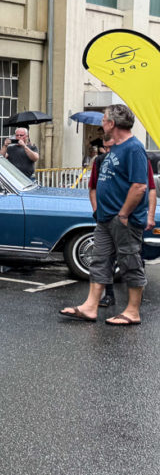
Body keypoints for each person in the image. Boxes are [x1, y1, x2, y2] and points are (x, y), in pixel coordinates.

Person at [61, 104, 151, 326]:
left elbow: (140, 186)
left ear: (112, 124)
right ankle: (90, 307)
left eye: (103, 120)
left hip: (123, 220)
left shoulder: (133, 148)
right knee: (99, 261)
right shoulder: (116, 148)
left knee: (130, 262)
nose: (101, 124)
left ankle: (132, 311)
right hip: (105, 218)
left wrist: (123, 214)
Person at [91, 135, 157, 307]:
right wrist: (97, 210)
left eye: (111, 147)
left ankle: (134, 304)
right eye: (105, 148)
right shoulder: (100, 161)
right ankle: (107, 296)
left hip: (128, 218)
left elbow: (148, 188)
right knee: (103, 259)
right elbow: (94, 187)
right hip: (107, 217)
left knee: (131, 258)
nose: (108, 151)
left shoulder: (134, 154)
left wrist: (148, 216)